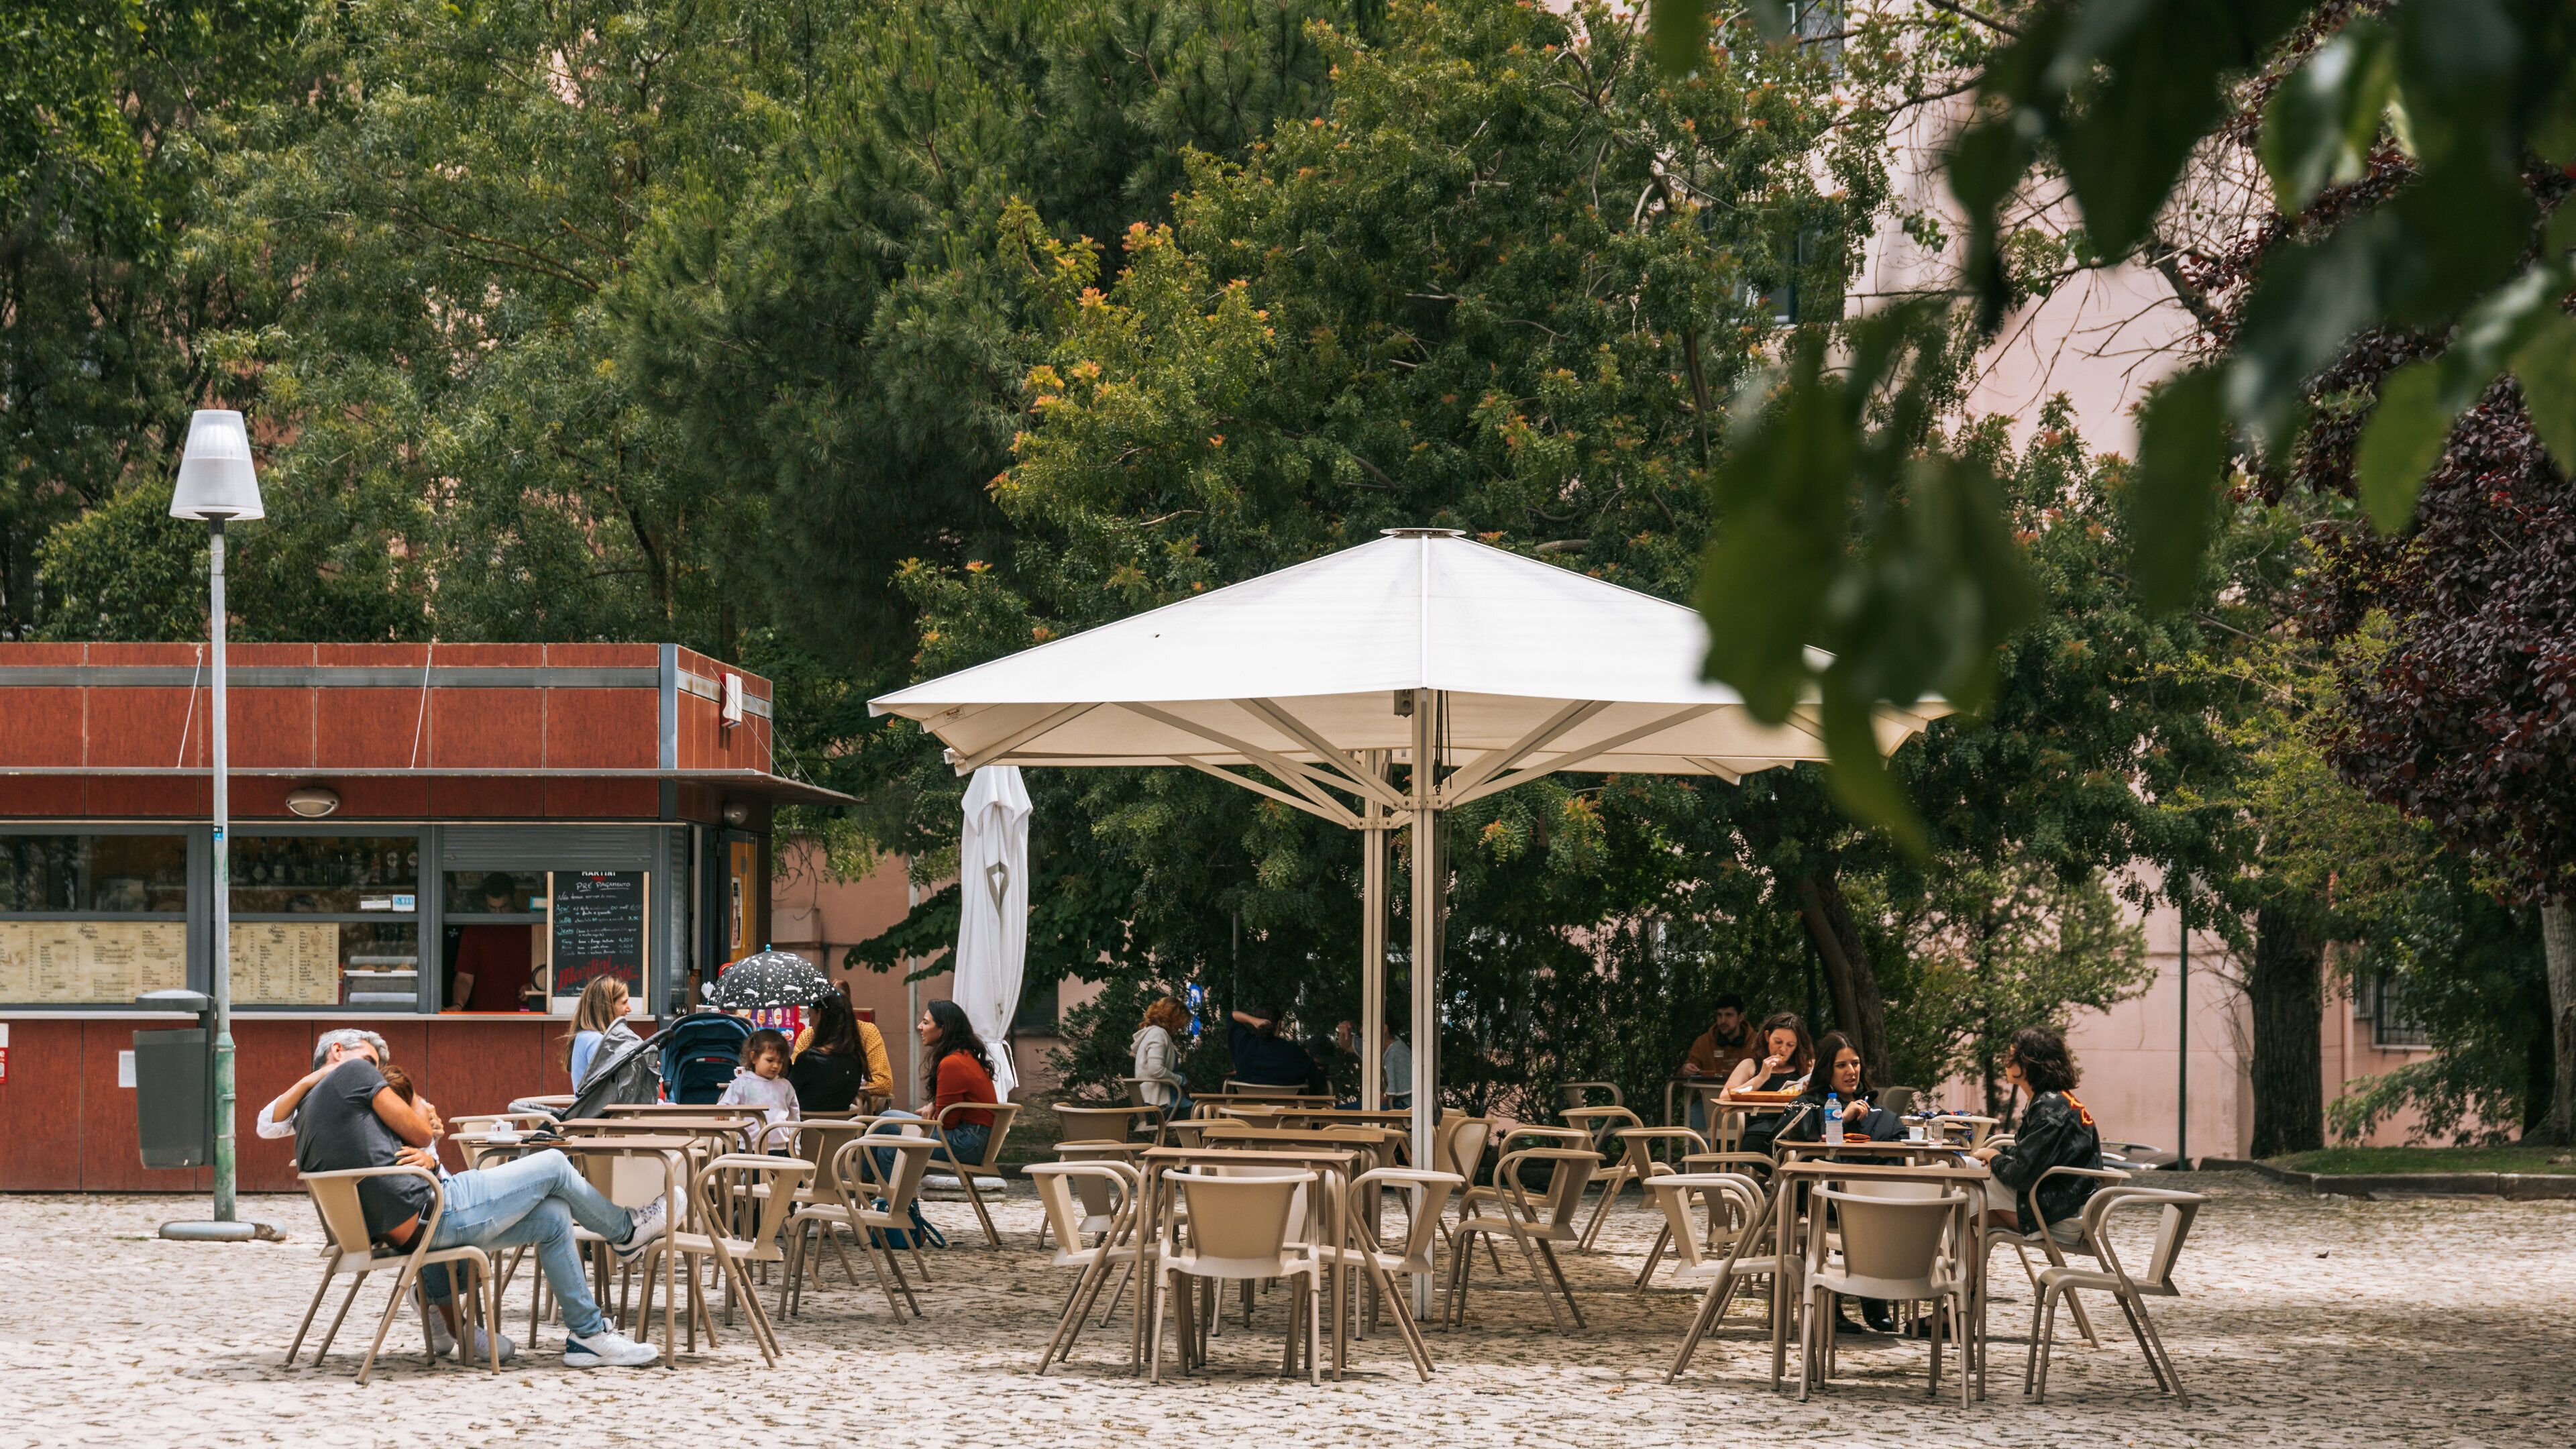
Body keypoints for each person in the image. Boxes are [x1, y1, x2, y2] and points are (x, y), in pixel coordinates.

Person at [292, 1051, 667, 1367]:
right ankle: (625, 1231)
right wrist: (418, 1105)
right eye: (371, 1056)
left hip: (414, 1228)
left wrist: (425, 1156)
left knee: (554, 1217)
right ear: (338, 1053)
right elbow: (421, 1133)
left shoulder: (311, 1109)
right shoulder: (354, 1073)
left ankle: (588, 1335)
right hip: (437, 1213)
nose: (377, 1065)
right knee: (554, 1163)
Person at [1784, 1030, 1906, 1335]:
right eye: (1842, 1065)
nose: (1851, 1071)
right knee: (1857, 1203)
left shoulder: (1878, 1111)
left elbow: (1901, 1143)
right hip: (1825, 1199)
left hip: (1873, 1198)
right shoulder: (1807, 1104)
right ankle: (1837, 1303)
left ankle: (1874, 1293)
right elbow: (1791, 1136)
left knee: (1881, 1201)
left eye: (1855, 1063)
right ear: (1827, 1069)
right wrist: (1839, 1117)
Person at [1971, 1026, 2106, 1242]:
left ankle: (1936, 1258)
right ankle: (1959, 1265)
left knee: (1966, 1174)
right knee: (1961, 1207)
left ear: (2027, 1065)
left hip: (2055, 1214)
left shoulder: (2049, 1110)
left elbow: (2021, 1176)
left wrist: (1992, 1156)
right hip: (2060, 1205)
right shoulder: (2056, 1101)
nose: (2005, 1062)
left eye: (2010, 1056)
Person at [868, 1000, 1000, 1188]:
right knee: (886, 1122)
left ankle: (864, 1185)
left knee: (886, 1132)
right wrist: (935, 1105)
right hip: (973, 1139)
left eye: (926, 1022)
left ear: (943, 1029)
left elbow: (948, 1122)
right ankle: (872, 1190)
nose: (919, 1027)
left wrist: (936, 1109)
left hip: (966, 1143)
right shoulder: (964, 1057)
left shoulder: (952, 1063)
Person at [257, 1028, 392, 1140]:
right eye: (368, 1062)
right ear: (338, 1051)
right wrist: (307, 1082)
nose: (372, 1073)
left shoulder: (375, 1095)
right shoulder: (310, 1100)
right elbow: (267, 1127)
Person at [1722, 1011, 1814, 1157]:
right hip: (1761, 1131)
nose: (1783, 1049)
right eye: (1778, 1042)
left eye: (1790, 1045)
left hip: (1797, 1129)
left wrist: (1811, 1091)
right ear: (1767, 1037)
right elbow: (1724, 1099)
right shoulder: (1750, 1065)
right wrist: (1761, 1078)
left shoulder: (1806, 1067)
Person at [788, 991, 892, 1113]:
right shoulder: (856, 1060)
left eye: (810, 1015)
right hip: (849, 1122)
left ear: (820, 1014)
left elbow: (790, 1088)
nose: (809, 1022)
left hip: (804, 1122)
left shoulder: (807, 1058)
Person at [449, 873, 537, 1012]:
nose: (498, 913)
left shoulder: (532, 926)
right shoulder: (475, 930)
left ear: (513, 899)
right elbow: (465, 977)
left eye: (504, 907)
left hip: (527, 1013)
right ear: (485, 903)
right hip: (486, 1014)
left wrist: (535, 986)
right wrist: (458, 1005)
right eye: (492, 908)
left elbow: (548, 969)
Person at [1678, 995, 1756, 1138]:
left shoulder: (1756, 1043)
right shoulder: (1703, 1042)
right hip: (1709, 1104)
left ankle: (1747, 1152)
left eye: (1729, 1015)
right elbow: (1684, 1075)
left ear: (1740, 1017)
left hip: (1746, 1105)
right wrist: (1686, 1070)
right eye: (1719, 1015)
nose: (1723, 1020)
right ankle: (1704, 1153)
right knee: (1695, 1111)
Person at [1227, 1004, 1324, 1093]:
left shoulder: (1244, 1044)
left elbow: (1231, 1016)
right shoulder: (1294, 1051)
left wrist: (1253, 1020)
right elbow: (1317, 1080)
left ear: (1256, 1025)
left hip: (1247, 1106)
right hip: (1286, 1106)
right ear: (1279, 1024)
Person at [718, 1028, 800, 1132]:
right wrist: (722, 1113)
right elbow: (726, 1104)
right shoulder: (742, 1083)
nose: (775, 1066)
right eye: (770, 1060)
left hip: (780, 1142)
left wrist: (794, 1141)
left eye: (780, 1062)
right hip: (748, 1141)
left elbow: (794, 1118)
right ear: (754, 1057)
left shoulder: (785, 1086)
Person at [563, 977, 638, 1089]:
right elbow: (611, 1086)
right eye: (624, 1002)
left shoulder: (585, 1037)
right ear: (607, 1007)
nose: (629, 1009)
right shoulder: (595, 1040)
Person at [1129, 996, 1195, 1120]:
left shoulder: (1150, 1033)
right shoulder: (1158, 1034)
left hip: (1150, 1105)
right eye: (1180, 1022)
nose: (1180, 1028)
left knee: (1201, 1110)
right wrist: (1181, 1080)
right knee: (1205, 1112)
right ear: (1172, 1018)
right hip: (1158, 1108)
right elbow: (1156, 1070)